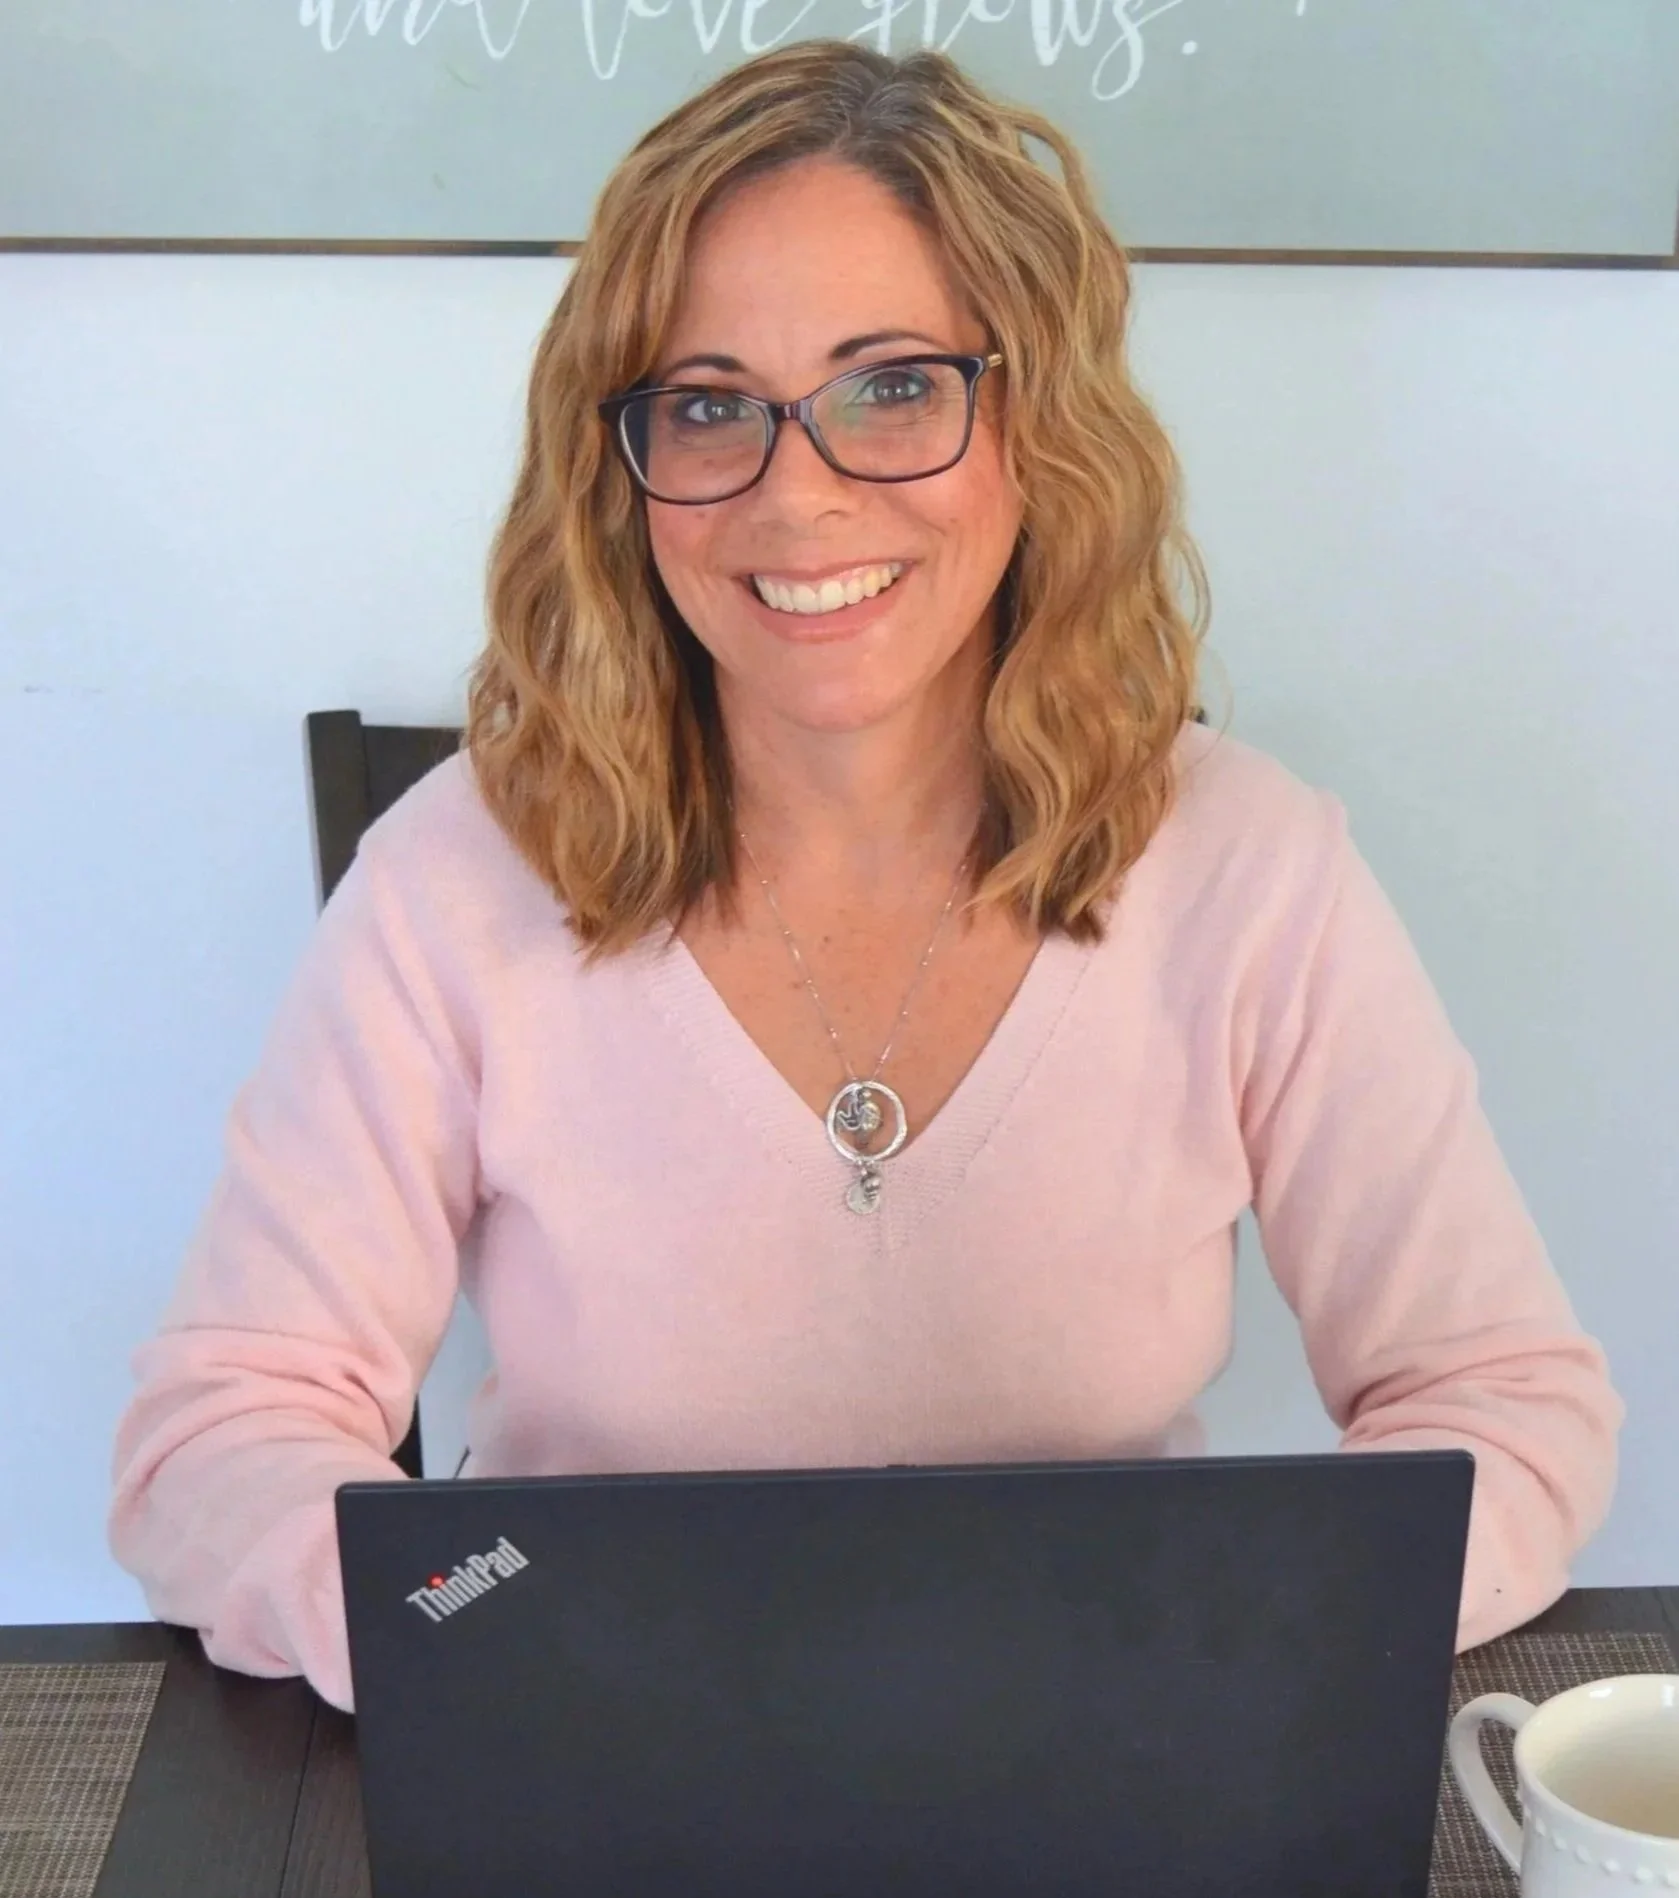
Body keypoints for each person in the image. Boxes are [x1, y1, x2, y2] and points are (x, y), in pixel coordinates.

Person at [109, 42, 1621, 1712]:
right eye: (706, 406)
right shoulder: (453, 877)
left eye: (891, 383)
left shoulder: (1249, 866)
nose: (798, 492)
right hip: (591, 1786)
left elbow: (1502, 1403)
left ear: (1032, 420)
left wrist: (1235, 1623)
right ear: (619, 468)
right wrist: (486, 1627)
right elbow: (222, 1436)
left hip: (1120, 1783)